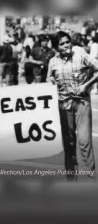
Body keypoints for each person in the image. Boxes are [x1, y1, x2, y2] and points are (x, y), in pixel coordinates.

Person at [47, 31, 98, 181]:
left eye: (67, 42)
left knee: (84, 140)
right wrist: (51, 80)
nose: (66, 45)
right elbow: (49, 78)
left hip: (81, 102)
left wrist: (86, 85)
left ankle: (90, 175)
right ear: (56, 47)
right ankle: (71, 176)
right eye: (62, 44)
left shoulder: (80, 54)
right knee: (68, 142)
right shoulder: (53, 62)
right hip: (64, 105)